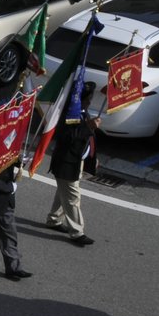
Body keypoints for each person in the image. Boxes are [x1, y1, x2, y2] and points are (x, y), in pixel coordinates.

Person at [46, 81, 99, 247]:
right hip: (66, 163)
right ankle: (77, 232)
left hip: (77, 161)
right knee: (73, 197)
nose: (91, 100)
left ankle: (54, 219)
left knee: (64, 193)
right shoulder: (70, 114)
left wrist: (92, 155)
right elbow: (69, 137)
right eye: (89, 97)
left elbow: (87, 139)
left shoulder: (82, 112)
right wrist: (88, 127)